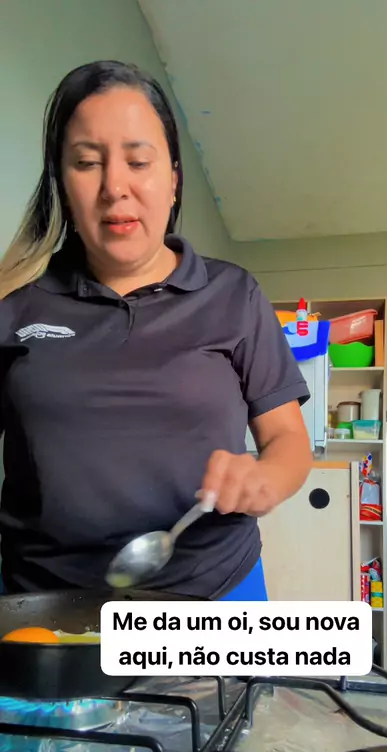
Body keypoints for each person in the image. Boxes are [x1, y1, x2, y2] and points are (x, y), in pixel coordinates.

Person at [0, 60, 312, 600]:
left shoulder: (233, 294)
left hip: (215, 592)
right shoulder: (14, 302)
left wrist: (264, 478)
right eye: (87, 163)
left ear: (172, 180)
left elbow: (288, 441)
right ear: (63, 186)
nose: (114, 187)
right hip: (40, 602)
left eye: (138, 161)